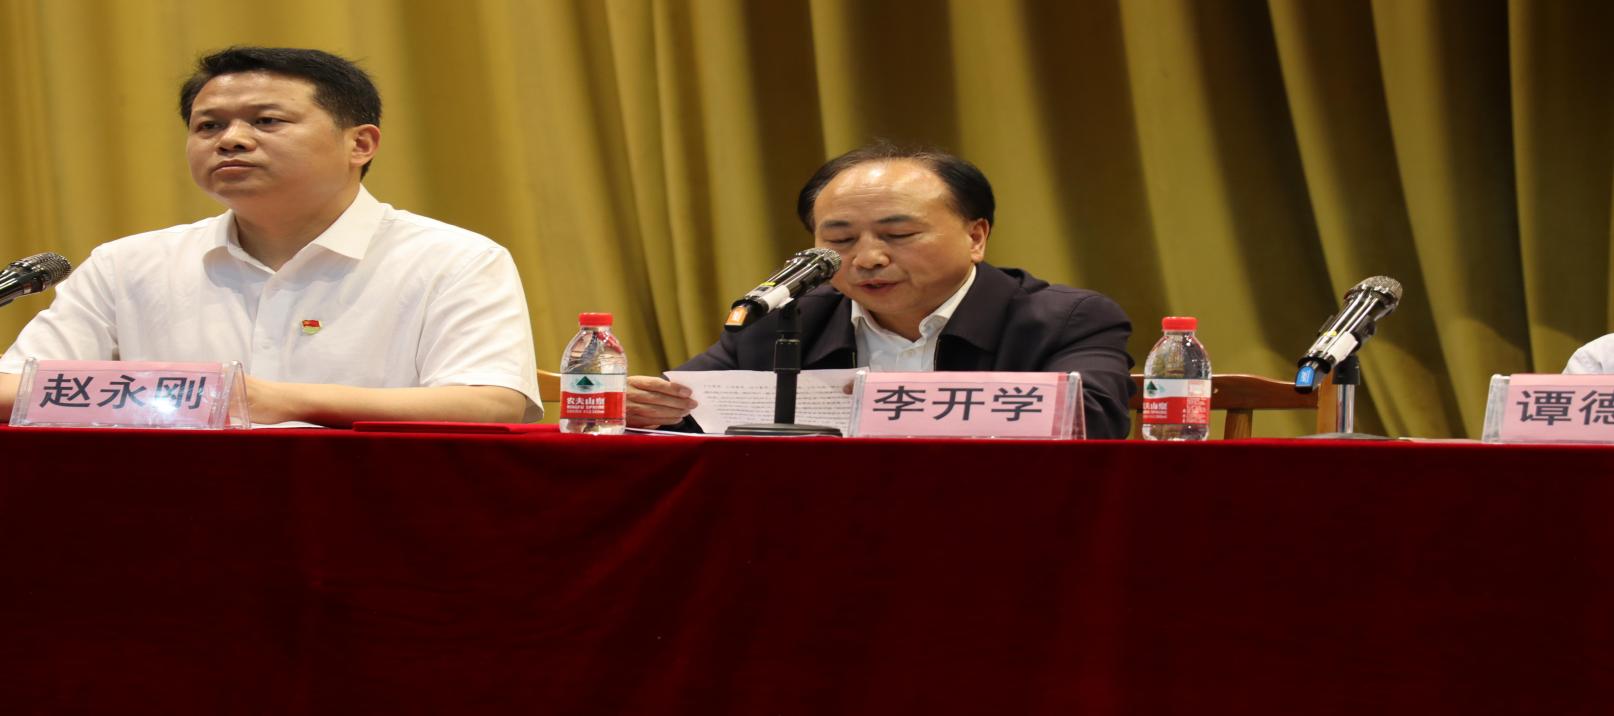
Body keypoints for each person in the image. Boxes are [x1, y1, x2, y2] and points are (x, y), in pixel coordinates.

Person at [0, 47, 539, 425]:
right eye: (209, 126)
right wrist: (189, 397)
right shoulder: (127, 264)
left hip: (370, 511)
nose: (231, 140)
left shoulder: (454, 259)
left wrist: (278, 401)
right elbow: (11, 386)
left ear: (360, 144)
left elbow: (489, 403)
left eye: (266, 121)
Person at [626, 143, 1136, 437]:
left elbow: (1091, 423)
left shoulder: (1068, 320)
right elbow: (686, 418)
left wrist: (890, 403)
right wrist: (638, 407)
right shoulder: (783, 322)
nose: (868, 258)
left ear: (976, 237)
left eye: (899, 234)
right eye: (840, 240)